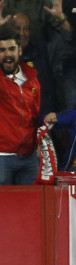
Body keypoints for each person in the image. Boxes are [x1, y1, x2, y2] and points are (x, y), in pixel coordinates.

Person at [0, 25, 40, 185]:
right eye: (2, 50)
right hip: (2, 157)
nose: (7, 54)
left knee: (30, 201)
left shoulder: (33, 80)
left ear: (20, 51)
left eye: (11, 49)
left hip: (29, 158)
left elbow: (35, 115)